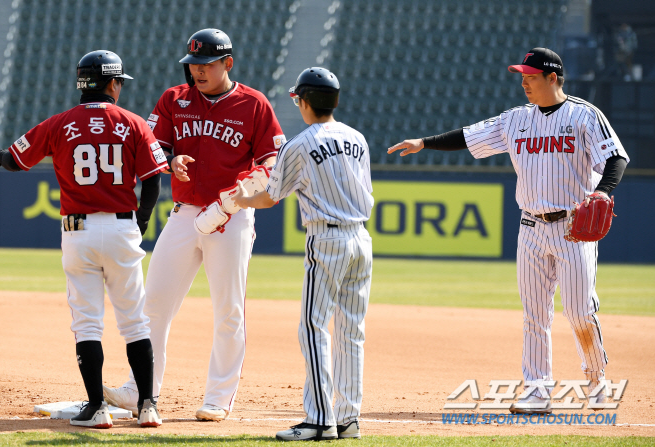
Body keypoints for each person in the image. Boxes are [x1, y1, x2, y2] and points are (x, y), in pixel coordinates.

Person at [388, 48, 629, 414]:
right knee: (535, 315)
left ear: (553, 78)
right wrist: (425, 142)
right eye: (522, 76)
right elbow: (469, 136)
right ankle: (536, 390)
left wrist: (602, 192)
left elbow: (616, 157)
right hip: (530, 226)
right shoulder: (515, 120)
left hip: (572, 227)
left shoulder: (584, 116)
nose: (524, 83)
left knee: (580, 312)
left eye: (531, 77)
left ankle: (596, 380)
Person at [0, 50, 167, 428]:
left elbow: (14, 160)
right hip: (122, 228)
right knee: (135, 323)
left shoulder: (60, 124)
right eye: (119, 80)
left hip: (78, 232)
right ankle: (149, 405)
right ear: (111, 83)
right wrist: (141, 219)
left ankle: (96, 408)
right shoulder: (134, 123)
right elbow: (154, 177)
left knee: (88, 322)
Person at [102, 28, 285, 421]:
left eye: (205, 65)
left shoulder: (254, 104)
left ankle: (218, 397)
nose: (197, 71)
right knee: (154, 304)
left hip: (231, 216)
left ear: (227, 63)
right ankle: (139, 390)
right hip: (185, 214)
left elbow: (273, 158)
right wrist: (169, 162)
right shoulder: (174, 99)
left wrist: (254, 179)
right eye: (193, 64)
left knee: (228, 310)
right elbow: (154, 146)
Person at [233, 67, 373, 441]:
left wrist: (242, 201)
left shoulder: (299, 144)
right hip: (361, 238)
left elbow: (270, 196)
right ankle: (347, 419)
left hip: (327, 240)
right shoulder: (358, 138)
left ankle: (319, 420)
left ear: (304, 101)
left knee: (313, 327)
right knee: (351, 331)